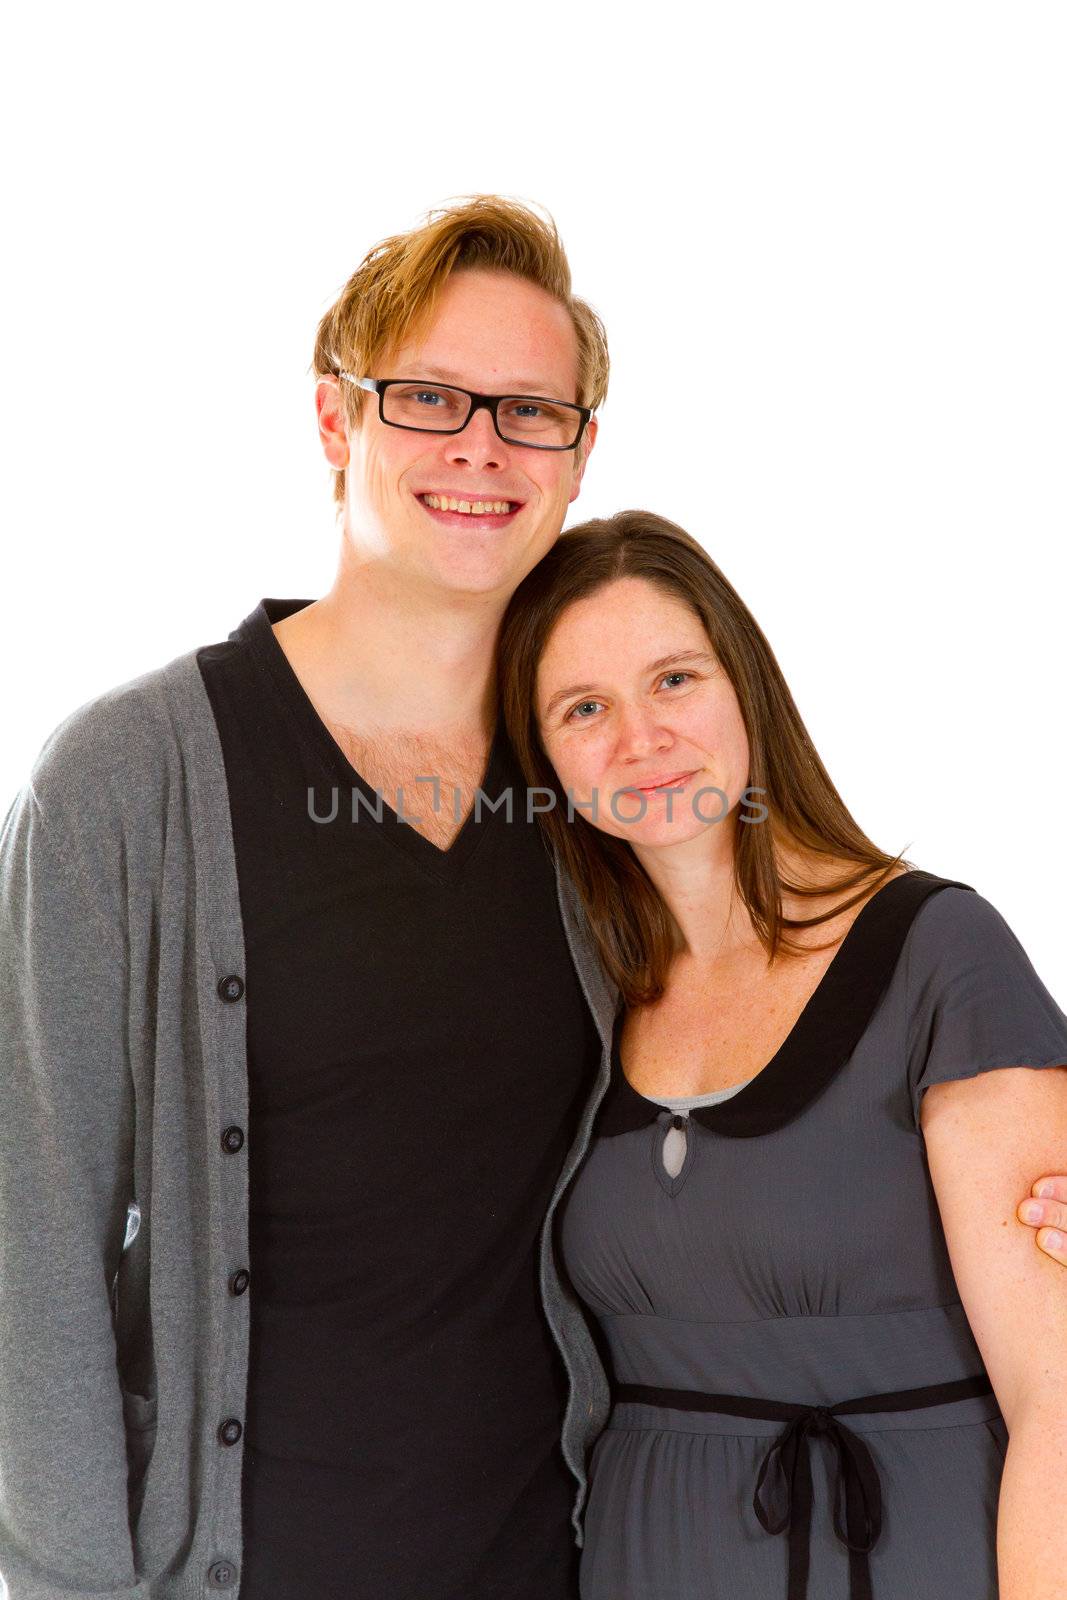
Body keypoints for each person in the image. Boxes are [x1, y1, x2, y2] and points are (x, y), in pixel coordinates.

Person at [0, 196, 1063, 1600]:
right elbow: (34, 1234)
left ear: (577, 452)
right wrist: (77, 1582)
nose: (479, 449)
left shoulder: (595, 793)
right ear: (335, 423)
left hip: (566, 1564)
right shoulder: (135, 779)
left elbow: (766, 1086)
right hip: (247, 1570)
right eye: (430, 398)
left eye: (528, 411)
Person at [495, 507, 1067, 1599]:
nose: (639, 737)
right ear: (544, 754)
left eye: (672, 680)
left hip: (911, 1557)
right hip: (637, 1561)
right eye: (583, 707)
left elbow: (1055, 1396)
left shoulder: (938, 954)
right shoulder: (580, 997)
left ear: (743, 682)